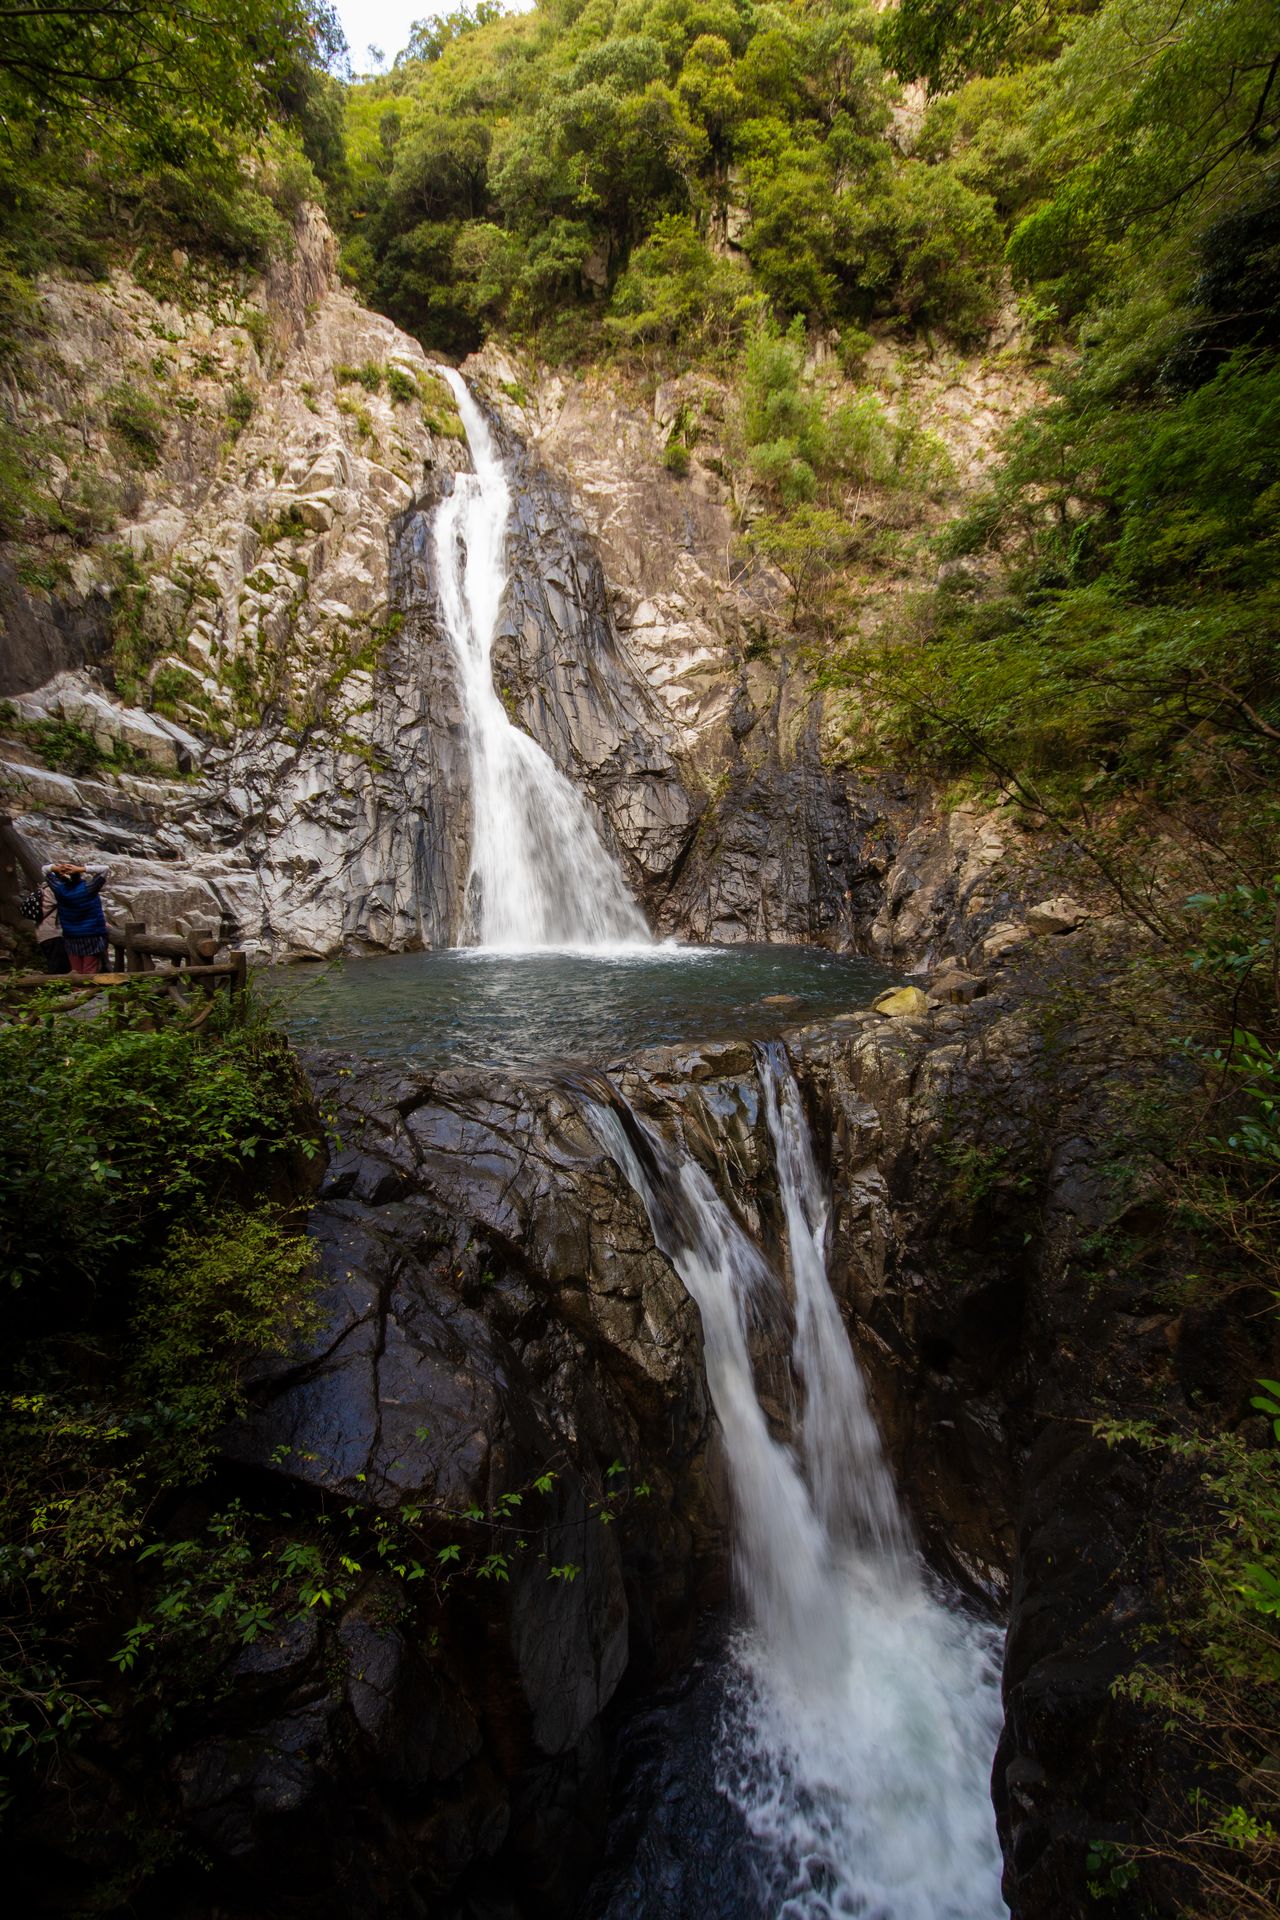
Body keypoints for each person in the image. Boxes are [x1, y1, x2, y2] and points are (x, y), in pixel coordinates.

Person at [45, 861, 110, 977]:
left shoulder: (59, 889)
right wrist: (81, 868)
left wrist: (58, 868)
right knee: (89, 970)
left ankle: (76, 988)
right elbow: (105, 869)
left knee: (75, 971)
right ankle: (87, 988)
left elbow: (45, 869)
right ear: (79, 875)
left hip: (71, 936)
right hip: (92, 935)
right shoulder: (89, 888)